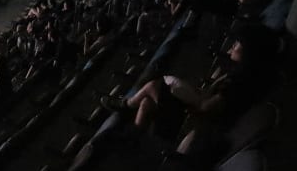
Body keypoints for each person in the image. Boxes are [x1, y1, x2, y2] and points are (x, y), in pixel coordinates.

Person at [102, 24, 278, 133]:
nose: (233, 45)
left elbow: (204, 109)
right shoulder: (244, 73)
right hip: (198, 114)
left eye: (238, 43)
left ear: (249, 51)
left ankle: (125, 105)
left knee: (153, 86)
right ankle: (135, 133)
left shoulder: (238, 82)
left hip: (193, 123)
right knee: (146, 101)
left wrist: (187, 96)